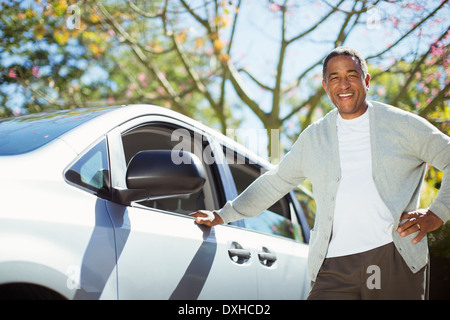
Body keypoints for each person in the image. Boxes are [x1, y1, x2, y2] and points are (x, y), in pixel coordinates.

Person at [190, 46, 449, 300]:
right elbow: (276, 182)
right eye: (334, 78)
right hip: (332, 264)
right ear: (326, 86)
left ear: (366, 80)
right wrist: (223, 214)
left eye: (351, 75)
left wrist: (438, 213)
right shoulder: (315, 136)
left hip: (392, 257)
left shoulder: (401, 124)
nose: (343, 85)